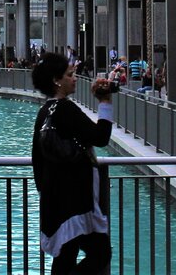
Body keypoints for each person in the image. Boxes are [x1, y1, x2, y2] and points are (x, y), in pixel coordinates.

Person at [31, 52, 116, 274]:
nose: (75, 77)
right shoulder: (65, 109)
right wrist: (105, 101)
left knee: (64, 259)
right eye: (70, 74)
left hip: (55, 201)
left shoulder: (43, 112)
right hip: (76, 202)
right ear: (56, 80)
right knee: (100, 254)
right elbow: (100, 137)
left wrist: (47, 192)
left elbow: (37, 162)